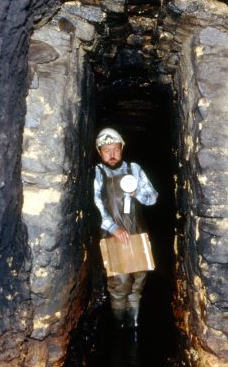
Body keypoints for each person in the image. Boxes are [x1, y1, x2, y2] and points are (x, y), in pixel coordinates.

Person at [94, 128, 158, 329]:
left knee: (138, 280)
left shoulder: (135, 169)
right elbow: (96, 204)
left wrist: (137, 191)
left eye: (115, 149)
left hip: (138, 232)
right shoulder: (98, 173)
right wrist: (113, 228)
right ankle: (119, 326)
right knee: (119, 284)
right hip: (113, 235)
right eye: (106, 150)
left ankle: (134, 325)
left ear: (122, 149)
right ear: (99, 152)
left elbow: (153, 198)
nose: (111, 154)